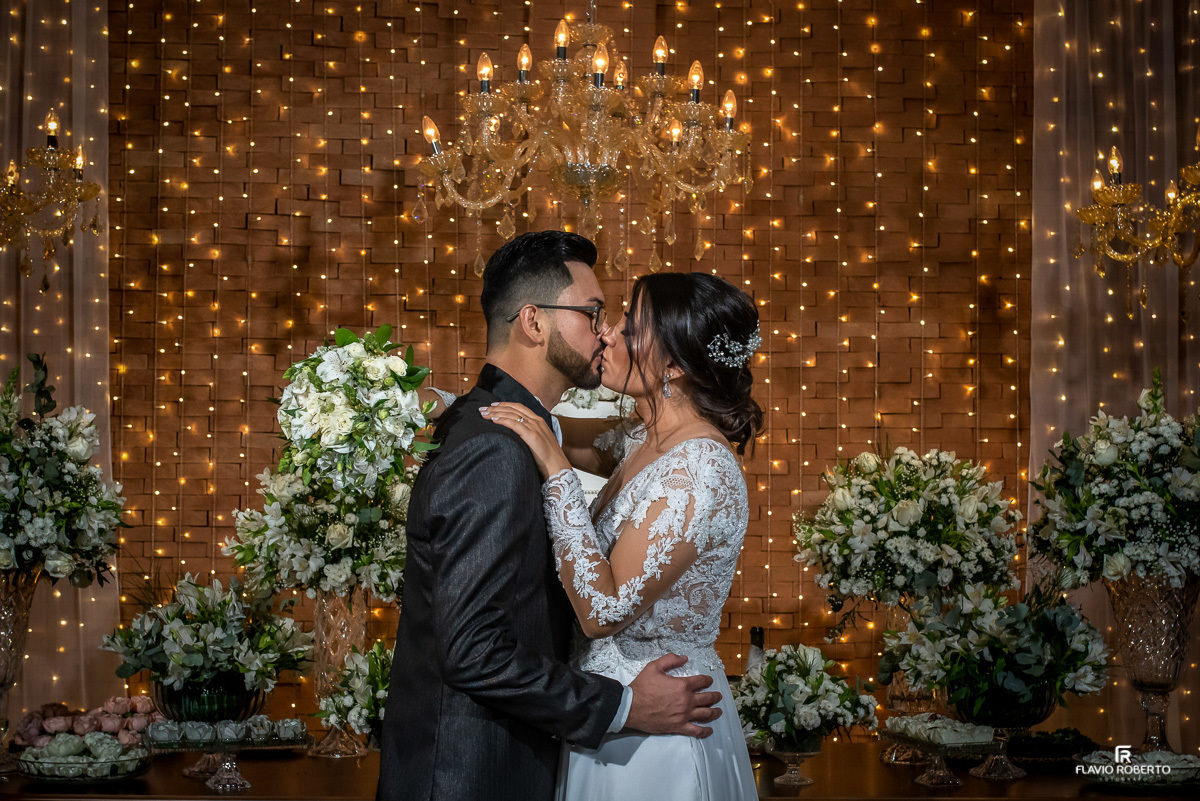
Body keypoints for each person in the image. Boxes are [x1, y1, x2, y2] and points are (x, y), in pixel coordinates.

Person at [376, 231, 722, 801]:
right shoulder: (495, 444)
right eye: (592, 313)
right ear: (534, 322)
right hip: (472, 775)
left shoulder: (526, 427)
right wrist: (625, 704)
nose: (605, 331)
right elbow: (473, 650)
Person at [481, 271, 763, 801]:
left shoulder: (701, 467)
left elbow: (604, 610)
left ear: (675, 365)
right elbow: (544, 425)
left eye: (631, 328)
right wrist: (414, 405)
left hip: (660, 728)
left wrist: (556, 471)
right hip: (610, 713)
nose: (608, 333)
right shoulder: (642, 437)